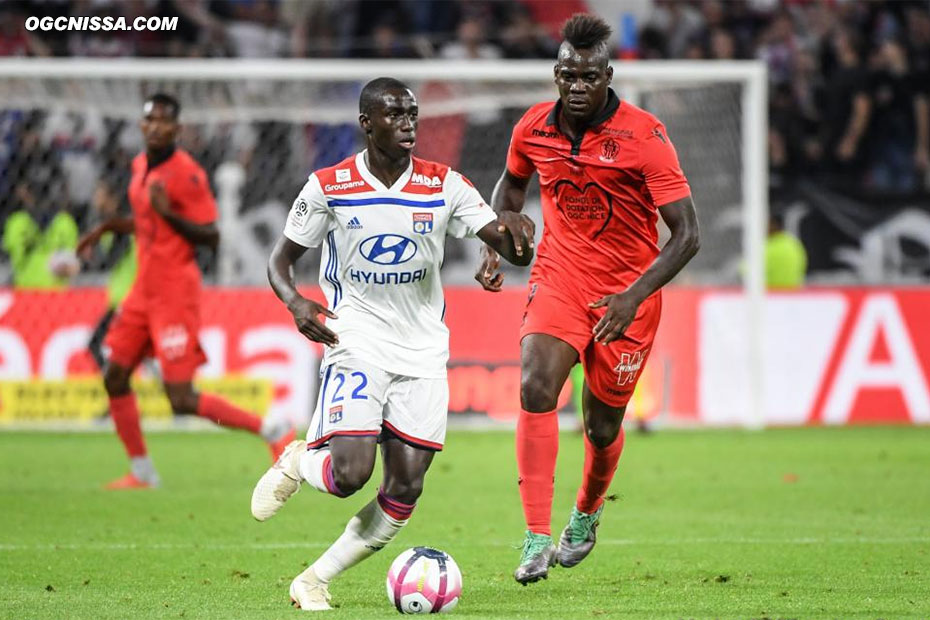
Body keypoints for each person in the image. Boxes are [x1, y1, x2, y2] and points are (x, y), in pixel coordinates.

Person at [249, 77, 534, 611]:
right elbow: (279, 259)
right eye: (395, 115)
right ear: (366, 123)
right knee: (350, 474)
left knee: (405, 488)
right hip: (356, 336)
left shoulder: (444, 185)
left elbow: (507, 245)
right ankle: (297, 462)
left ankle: (313, 580)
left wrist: (516, 234)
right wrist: (295, 301)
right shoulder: (329, 186)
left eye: (413, 114)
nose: (408, 124)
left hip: (424, 349)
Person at [475, 14, 700, 585]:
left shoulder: (645, 136)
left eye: (589, 77)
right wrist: (502, 234)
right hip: (560, 278)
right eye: (568, 75)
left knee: (601, 427)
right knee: (535, 385)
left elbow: (688, 234)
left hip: (627, 295)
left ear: (608, 75)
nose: (577, 86)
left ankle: (587, 511)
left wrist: (632, 296)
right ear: (556, 73)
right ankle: (535, 537)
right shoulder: (532, 127)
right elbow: (512, 185)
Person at [76, 93, 294, 490]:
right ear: (142, 126)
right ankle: (142, 471)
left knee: (180, 397)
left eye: (164, 121)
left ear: (177, 129)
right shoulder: (140, 164)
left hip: (175, 290)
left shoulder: (187, 173)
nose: (156, 127)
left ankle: (272, 427)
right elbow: (147, 223)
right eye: (150, 120)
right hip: (143, 288)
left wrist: (169, 213)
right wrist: (110, 227)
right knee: (115, 374)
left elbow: (211, 236)